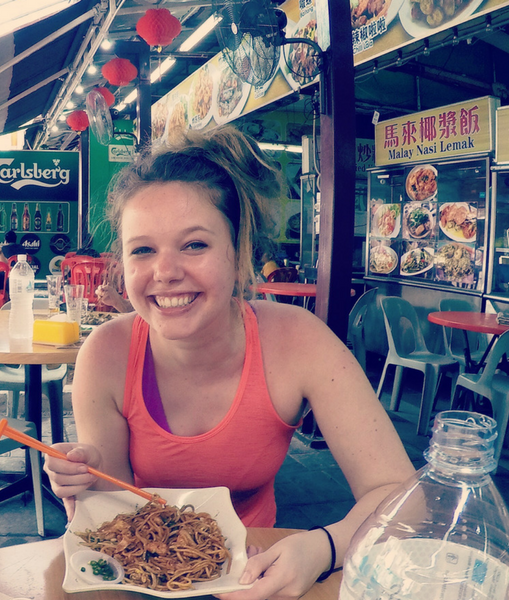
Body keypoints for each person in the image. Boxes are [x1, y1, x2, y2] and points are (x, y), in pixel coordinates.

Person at [43, 126, 414, 599]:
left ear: (239, 250)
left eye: (194, 244)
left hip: (261, 572)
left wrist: (322, 547)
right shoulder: (106, 354)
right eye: (142, 250)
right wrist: (84, 488)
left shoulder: (298, 341)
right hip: (139, 578)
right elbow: (114, 514)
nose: (165, 272)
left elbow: (401, 493)